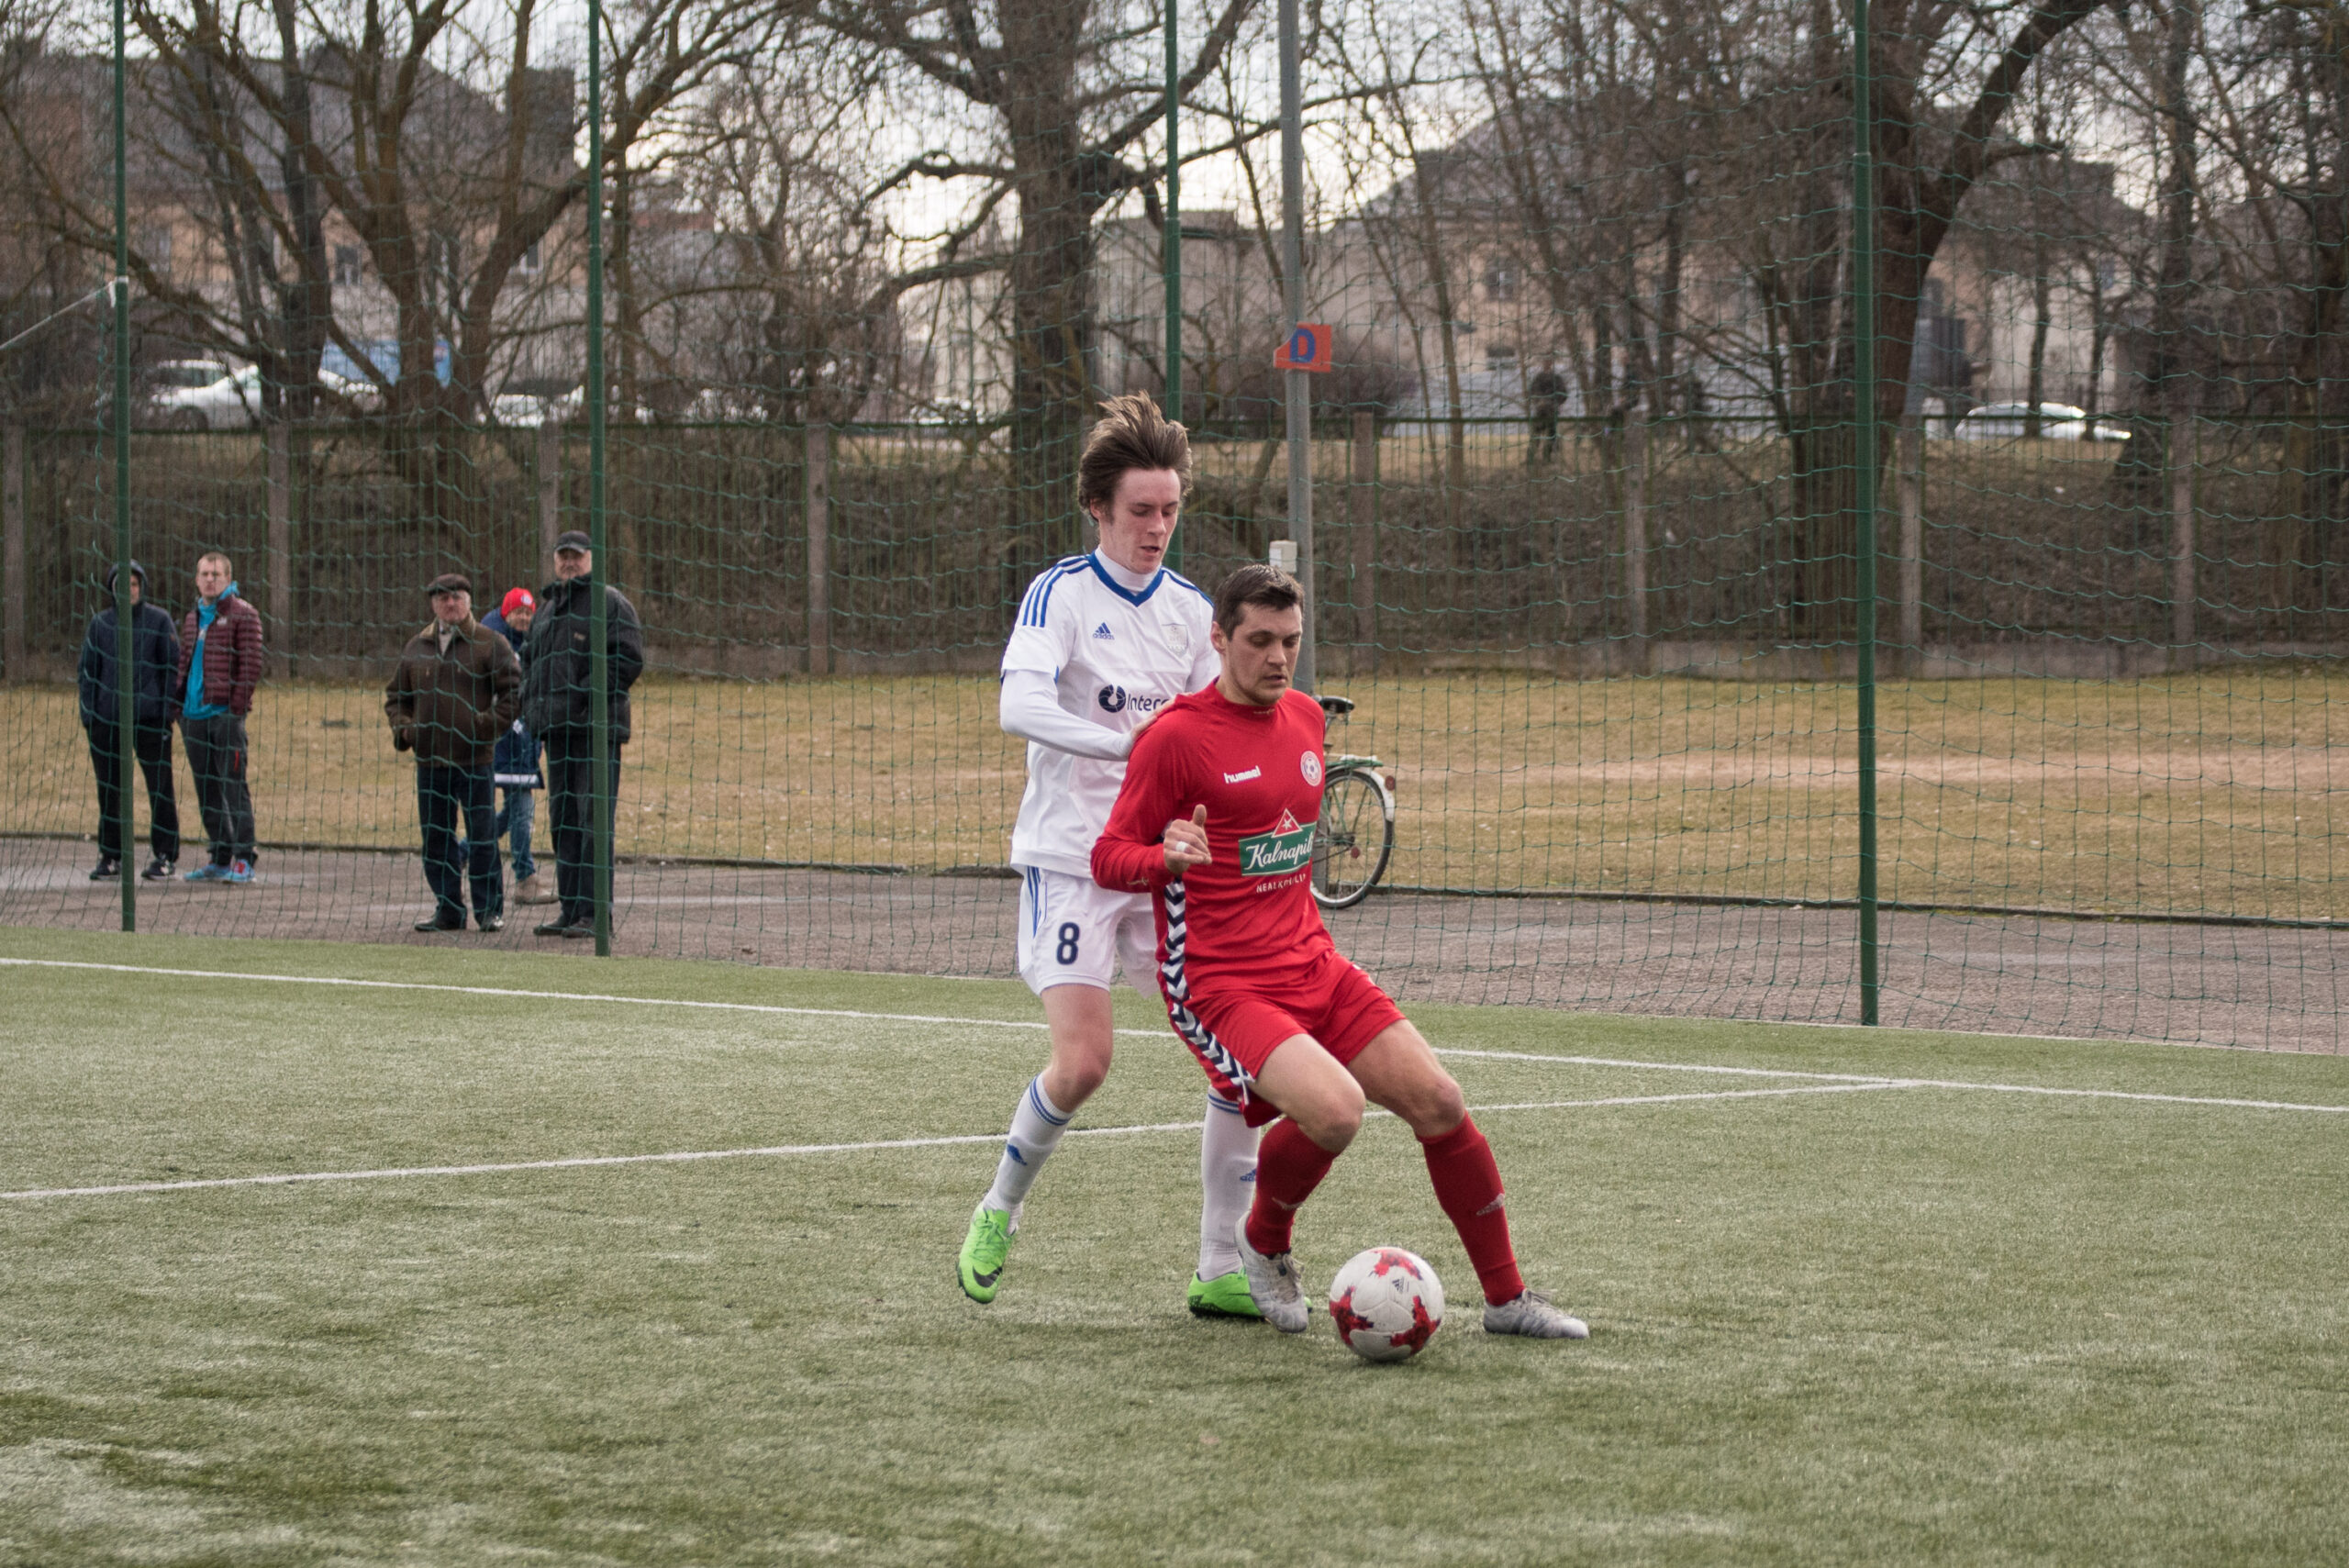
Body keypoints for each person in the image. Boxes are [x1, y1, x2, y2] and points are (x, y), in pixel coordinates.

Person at [1092, 564, 1589, 1341]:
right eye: (1259, 640)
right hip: (1223, 985)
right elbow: (1107, 855)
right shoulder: (1176, 739)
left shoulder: (1303, 716)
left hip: (1313, 963)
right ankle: (1262, 1240)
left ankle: (1507, 1299)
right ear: (1218, 637)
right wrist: (1164, 857)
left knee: (1441, 1101)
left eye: (1291, 641)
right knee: (1335, 1111)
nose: (1278, 657)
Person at [955, 393, 1262, 1320]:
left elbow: (1219, 724)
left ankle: (1221, 1264)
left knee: (1240, 1063)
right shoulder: (1060, 593)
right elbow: (1018, 705)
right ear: (1098, 507)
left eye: (1170, 509)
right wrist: (1128, 744)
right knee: (1085, 1062)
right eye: (1140, 510)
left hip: (1165, 867)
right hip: (1072, 860)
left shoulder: (1191, 611)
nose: (1157, 527)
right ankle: (999, 1207)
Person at [519, 530, 644, 939]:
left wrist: (585, 694)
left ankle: (595, 913)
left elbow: (628, 659)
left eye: (576, 555)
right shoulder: (546, 610)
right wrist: (529, 703)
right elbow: (529, 662)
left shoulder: (609, 602)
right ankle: (570, 909)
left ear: (591, 558)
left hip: (595, 730)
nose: (569, 562)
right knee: (563, 821)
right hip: (556, 732)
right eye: (563, 556)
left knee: (594, 822)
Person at [384, 573, 522, 932]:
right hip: (430, 762)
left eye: (457, 597)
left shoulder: (490, 643)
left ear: (469, 601)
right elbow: (396, 697)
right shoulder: (416, 646)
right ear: (433, 603)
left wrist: (484, 726)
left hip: (475, 761)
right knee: (436, 839)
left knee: (482, 837)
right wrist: (406, 729)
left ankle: (489, 911)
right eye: (443, 598)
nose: (450, 603)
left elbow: (513, 694)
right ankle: (448, 909)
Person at [75, 559, 182, 881]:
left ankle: (165, 855)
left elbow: (171, 669)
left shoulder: (159, 621)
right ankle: (111, 855)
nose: (129, 590)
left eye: (134, 584)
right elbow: (87, 672)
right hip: (107, 722)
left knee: (160, 788)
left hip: (150, 721)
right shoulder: (100, 624)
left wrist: (164, 713)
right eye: (122, 585)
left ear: (141, 587)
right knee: (109, 790)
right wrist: (90, 716)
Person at [174, 550, 265, 884]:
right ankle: (220, 855)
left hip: (225, 715)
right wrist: (178, 707)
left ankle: (244, 857)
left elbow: (251, 665)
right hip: (193, 717)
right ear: (197, 579)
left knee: (233, 786)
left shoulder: (244, 614)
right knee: (206, 788)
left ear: (228, 578)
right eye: (205, 574)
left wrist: (234, 710)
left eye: (216, 574)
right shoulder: (192, 618)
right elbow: (184, 662)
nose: (210, 579)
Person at [480, 586, 551, 905]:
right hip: (506, 741)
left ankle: (463, 852)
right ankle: (525, 878)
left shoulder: (530, 643)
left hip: (525, 740)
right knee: (521, 810)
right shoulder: (496, 646)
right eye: (518, 612)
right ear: (505, 613)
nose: (523, 618)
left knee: (513, 811)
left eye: (528, 612)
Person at [1527, 358, 1566, 466]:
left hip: (1551, 412)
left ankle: (1547, 458)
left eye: (1548, 361)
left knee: (1551, 435)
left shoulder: (1556, 379)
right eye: (1545, 361)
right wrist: (1540, 402)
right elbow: (1532, 392)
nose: (1546, 364)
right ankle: (1531, 460)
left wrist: (1553, 403)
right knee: (1536, 436)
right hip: (1541, 412)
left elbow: (1563, 394)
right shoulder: (1539, 378)